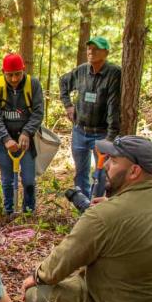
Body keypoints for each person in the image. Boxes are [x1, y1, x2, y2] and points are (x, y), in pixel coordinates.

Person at [22, 136, 152, 302]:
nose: (105, 165)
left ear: (134, 171)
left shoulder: (102, 216)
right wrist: (114, 204)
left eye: (113, 161)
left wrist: (36, 277)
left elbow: (60, 263)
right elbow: (140, 212)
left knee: (34, 294)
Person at [59, 37, 122, 198]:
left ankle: (97, 206)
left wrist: (110, 137)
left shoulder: (114, 73)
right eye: (89, 48)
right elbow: (63, 82)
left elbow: (113, 107)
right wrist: (68, 105)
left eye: (96, 49)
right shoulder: (81, 71)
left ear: (106, 52)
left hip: (101, 132)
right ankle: (82, 206)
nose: (91, 52)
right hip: (80, 130)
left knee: (101, 173)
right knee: (81, 172)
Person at [0, 53, 44, 216]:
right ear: (3, 71)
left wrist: (27, 132)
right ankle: (9, 211)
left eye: (18, 74)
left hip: (26, 140)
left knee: (28, 181)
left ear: (23, 70)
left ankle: (28, 211)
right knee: (7, 180)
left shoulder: (33, 85)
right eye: (9, 75)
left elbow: (38, 112)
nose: (13, 79)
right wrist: (5, 139)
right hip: (3, 139)